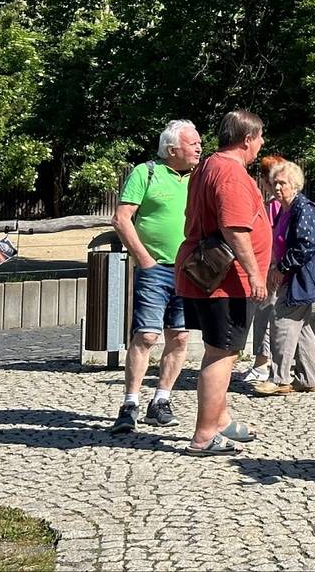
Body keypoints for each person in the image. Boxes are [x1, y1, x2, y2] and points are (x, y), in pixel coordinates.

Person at [174, 110, 272, 456]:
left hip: (211, 278)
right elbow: (234, 228)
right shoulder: (230, 173)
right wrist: (256, 274)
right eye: (260, 138)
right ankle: (203, 435)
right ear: (247, 139)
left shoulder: (209, 166)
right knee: (221, 352)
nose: (261, 145)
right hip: (224, 281)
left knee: (225, 351)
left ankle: (221, 418)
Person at [108, 120, 203, 434]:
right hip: (155, 269)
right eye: (193, 143)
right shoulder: (145, 172)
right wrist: (144, 260)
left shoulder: (199, 178)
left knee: (180, 337)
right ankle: (130, 402)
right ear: (173, 148)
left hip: (189, 271)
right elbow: (121, 219)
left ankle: (161, 400)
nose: (199, 148)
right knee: (146, 336)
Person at [253, 160, 315, 395]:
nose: (278, 187)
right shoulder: (285, 209)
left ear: (295, 185)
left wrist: (281, 268)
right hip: (294, 276)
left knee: (281, 321)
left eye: (283, 183)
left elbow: (307, 244)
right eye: (275, 183)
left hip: (301, 277)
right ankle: (307, 378)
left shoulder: (303, 208)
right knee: (301, 328)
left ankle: (280, 378)